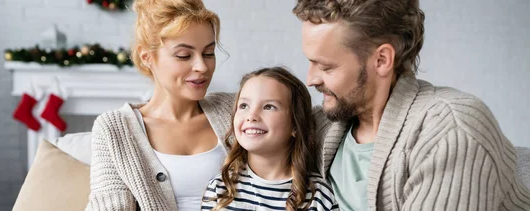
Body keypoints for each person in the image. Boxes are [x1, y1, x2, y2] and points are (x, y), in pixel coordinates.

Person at [293, 0, 530, 210]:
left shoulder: (451, 130)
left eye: (326, 67)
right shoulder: (321, 127)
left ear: (381, 60)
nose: (311, 79)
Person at [85, 0, 235, 210]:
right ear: (147, 57)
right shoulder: (113, 129)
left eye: (209, 53)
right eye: (184, 55)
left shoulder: (235, 109)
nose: (202, 66)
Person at [201, 67, 339, 211]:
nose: (251, 115)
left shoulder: (320, 197)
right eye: (244, 106)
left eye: (268, 107)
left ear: (295, 126)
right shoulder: (219, 189)